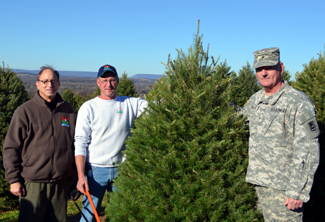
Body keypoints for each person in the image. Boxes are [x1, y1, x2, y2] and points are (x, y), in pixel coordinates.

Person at [242, 47, 320, 221]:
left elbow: (308, 150)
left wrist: (297, 192)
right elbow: (241, 119)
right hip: (258, 183)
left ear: (281, 68)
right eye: (259, 69)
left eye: (268, 67)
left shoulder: (298, 102)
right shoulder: (256, 99)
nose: (263, 73)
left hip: (284, 191)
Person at [3, 65, 76, 222]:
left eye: (53, 81)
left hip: (61, 183)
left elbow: (74, 144)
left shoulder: (68, 110)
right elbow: (11, 148)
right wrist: (14, 179)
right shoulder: (25, 111)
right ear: (38, 84)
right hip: (33, 184)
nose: (49, 85)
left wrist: (74, 176)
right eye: (45, 81)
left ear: (58, 84)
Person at [74, 64, 148, 222]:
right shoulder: (89, 108)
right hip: (95, 170)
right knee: (89, 215)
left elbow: (156, 108)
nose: (109, 84)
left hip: (122, 170)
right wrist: (81, 175)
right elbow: (80, 143)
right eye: (105, 80)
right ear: (98, 82)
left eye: (112, 80)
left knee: (121, 214)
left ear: (118, 81)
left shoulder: (130, 104)